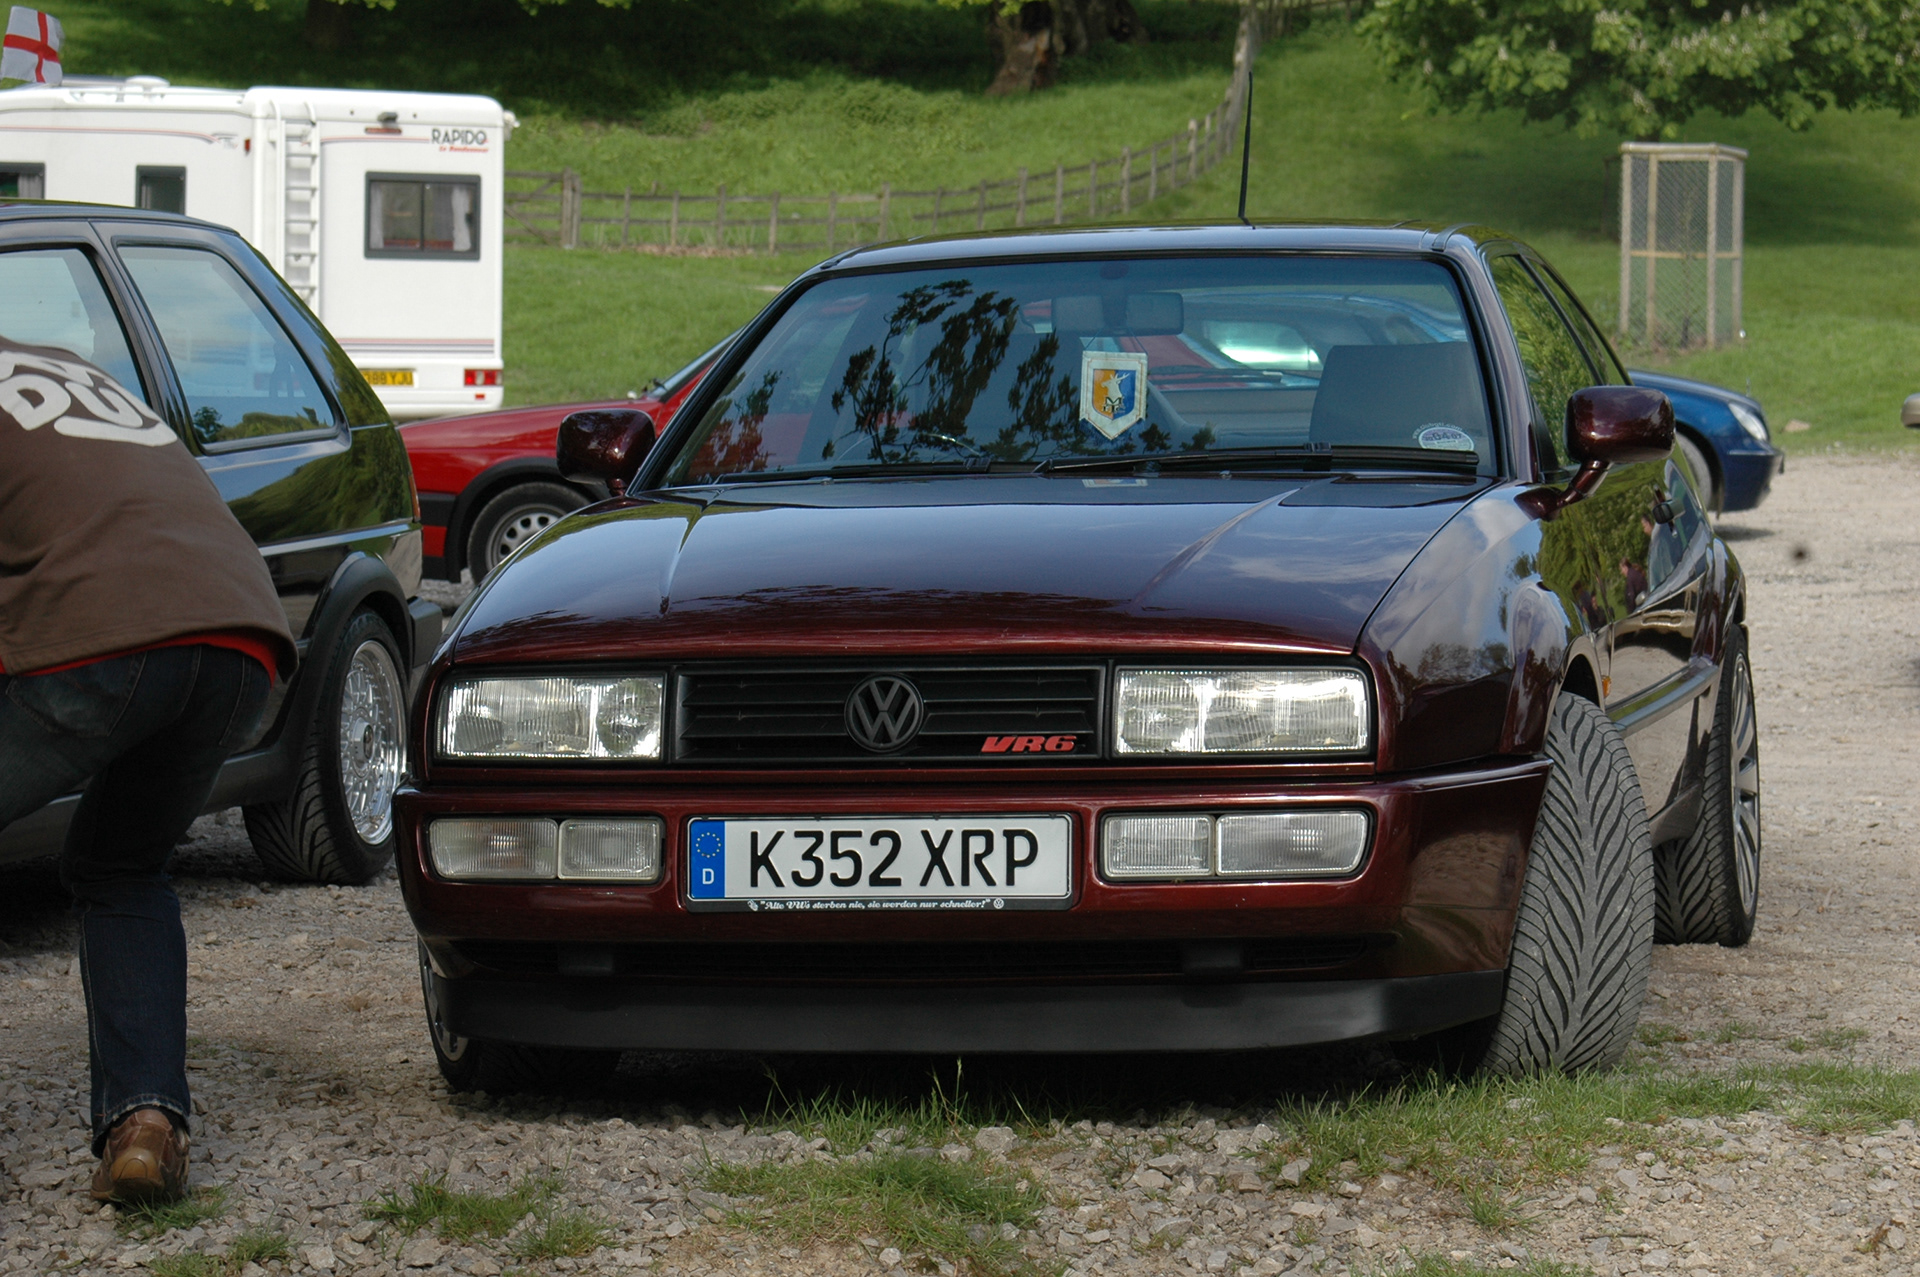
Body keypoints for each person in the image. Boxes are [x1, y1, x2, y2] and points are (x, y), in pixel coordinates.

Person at [0, 335, 295, 1204]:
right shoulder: (63, 368)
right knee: (122, 864)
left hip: (104, 632)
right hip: (243, 636)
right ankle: (146, 1125)